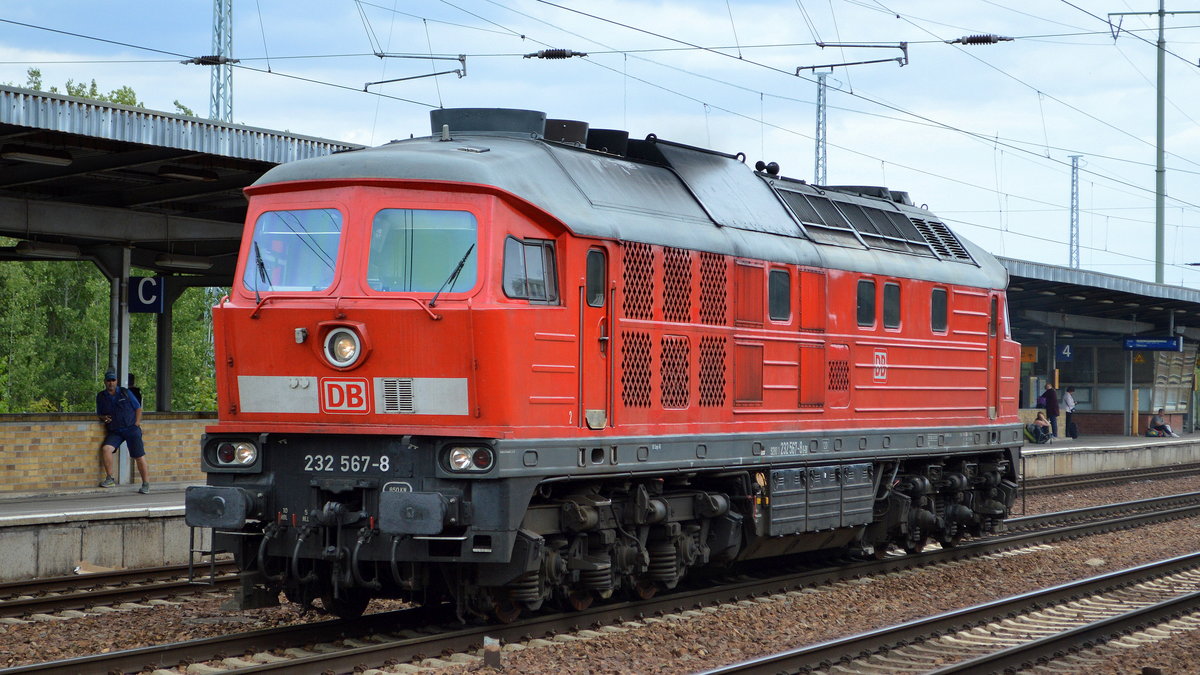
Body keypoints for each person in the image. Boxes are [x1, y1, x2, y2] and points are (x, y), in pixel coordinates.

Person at [96, 370, 151, 493]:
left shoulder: (125, 393)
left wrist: (136, 423)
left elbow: (138, 408)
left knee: (138, 456)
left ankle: (145, 483)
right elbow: (99, 413)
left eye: (113, 380)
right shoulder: (101, 396)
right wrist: (103, 417)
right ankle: (110, 478)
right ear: (105, 382)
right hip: (115, 430)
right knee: (106, 449)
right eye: (109, 380)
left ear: (117, 381)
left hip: (131, 428)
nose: (111, 383)